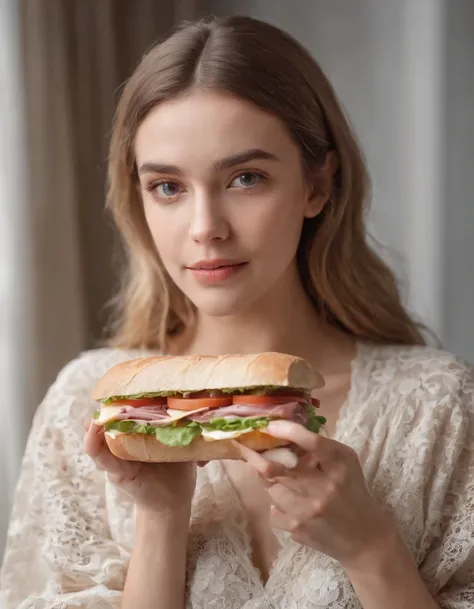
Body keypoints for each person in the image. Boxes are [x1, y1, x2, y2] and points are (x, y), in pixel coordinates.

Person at [1, 14, 472, 609]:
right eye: (168, 187)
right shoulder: (86, 405)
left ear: (317, 186)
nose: (205, 229)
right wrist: (161, 517)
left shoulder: (436, 405)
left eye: (246, 178)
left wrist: (373, 550)